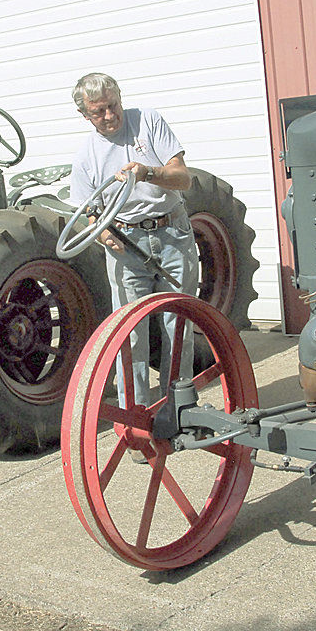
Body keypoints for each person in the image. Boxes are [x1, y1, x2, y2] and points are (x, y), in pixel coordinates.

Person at [70, 72, 198, 411]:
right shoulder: (86, 157)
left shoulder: (148, 122)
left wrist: (148, 172)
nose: (110, 116)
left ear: (120, 98)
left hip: (172, 234)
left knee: (178, 324)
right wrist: (103, 232)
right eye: (99, 112)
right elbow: (88, 212)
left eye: (113, 106)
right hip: (127, 245)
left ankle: (178, 410)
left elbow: (183, 178)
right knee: (130, 334)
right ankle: (136, 420)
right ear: (86, 115)